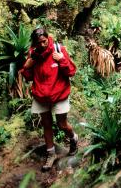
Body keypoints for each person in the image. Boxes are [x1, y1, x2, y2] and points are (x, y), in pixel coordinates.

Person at [21, 27, 78, 171]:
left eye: (44, 41)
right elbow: (28, 77)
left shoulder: (58, 50)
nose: (42, 45)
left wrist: (62, 60)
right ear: (34, 43)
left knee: (62, 124)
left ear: (48, 38)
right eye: (38, 43)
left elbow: (71, 72)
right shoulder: (33, 54)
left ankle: (73, 139)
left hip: (59, 94)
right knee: (46, 125)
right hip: (41, 96)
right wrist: (26, 67)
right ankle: (51, 154)